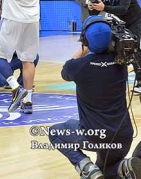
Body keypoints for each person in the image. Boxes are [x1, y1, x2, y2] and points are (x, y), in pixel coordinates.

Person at [49, 16, 137, 179]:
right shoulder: (121, 65)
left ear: (85, 39)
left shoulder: (77, 67)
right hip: (123, 135)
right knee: (108, 172)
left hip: (94, 136)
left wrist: (83, 50)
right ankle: (123, 168)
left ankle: (87, 169)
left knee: (55, 132)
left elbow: (64, 71)